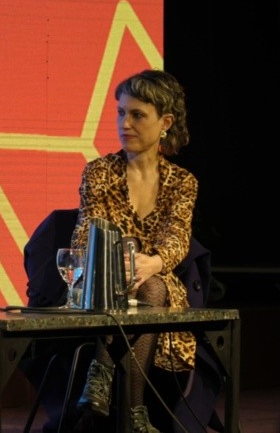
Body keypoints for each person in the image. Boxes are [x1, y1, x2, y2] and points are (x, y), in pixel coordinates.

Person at [70, 69, 198, 433]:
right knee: (137, 284)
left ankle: (102, 375)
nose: (125, 123)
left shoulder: (182, 182)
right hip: (102, 282)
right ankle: (133, 413)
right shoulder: (98, 173)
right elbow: (86, 233)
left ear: (165, 123)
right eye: (121, 112)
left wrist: (153, 262)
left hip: (156, 285)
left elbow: (177, 238)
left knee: (154, 286)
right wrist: (118, 264)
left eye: (137, 114)